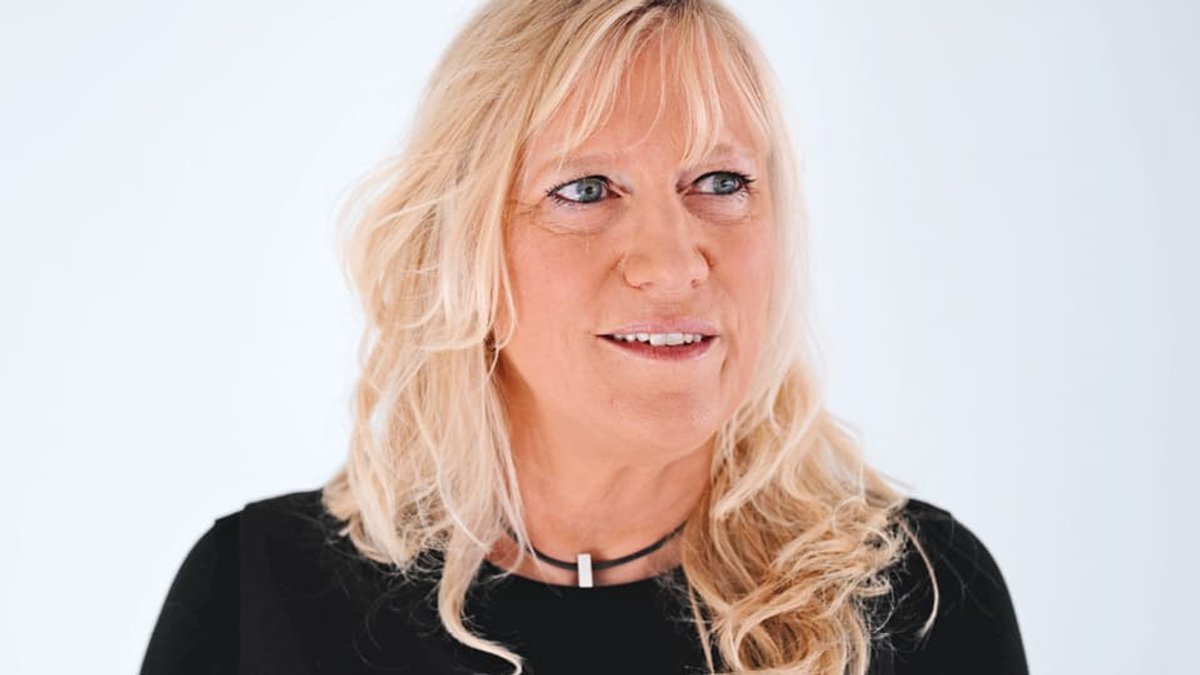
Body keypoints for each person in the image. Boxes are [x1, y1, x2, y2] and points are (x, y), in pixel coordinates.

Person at [140, 1, 1027, 673]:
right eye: (586, 190)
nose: (673, 264)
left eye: (721, 181)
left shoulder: (920, 603)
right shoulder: (255, 600)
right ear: (462, 243)